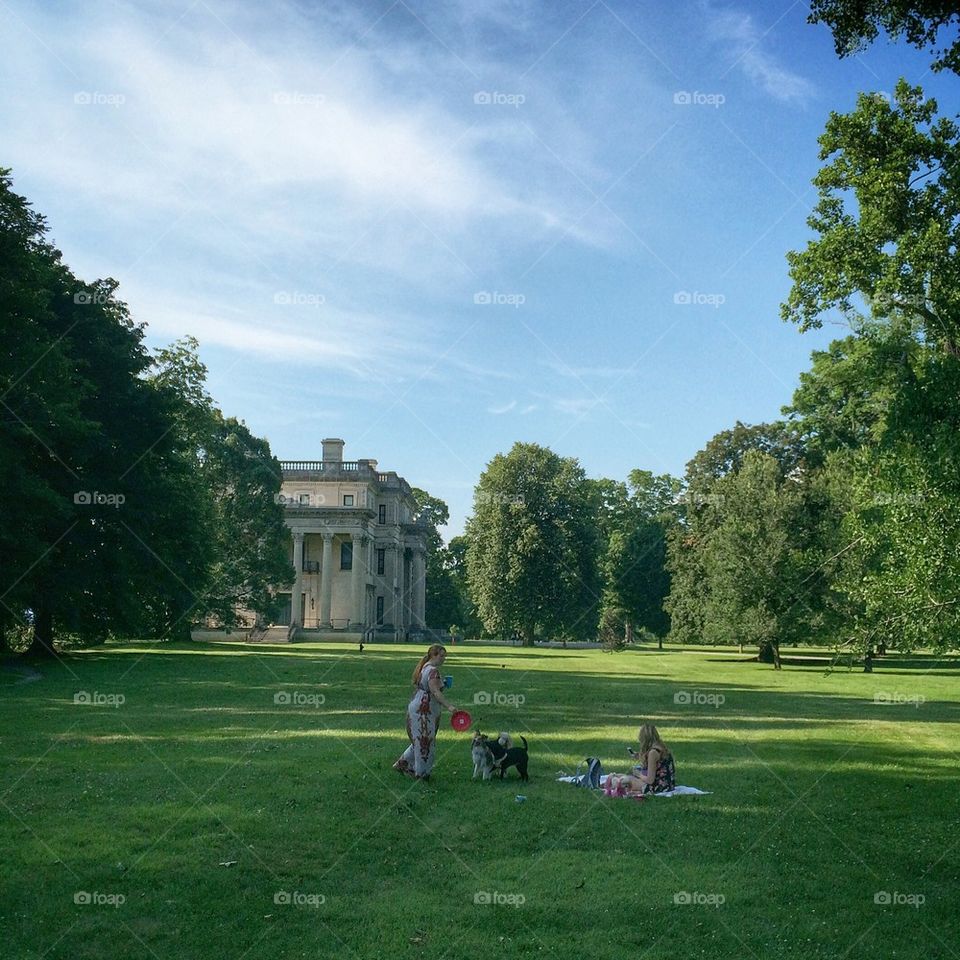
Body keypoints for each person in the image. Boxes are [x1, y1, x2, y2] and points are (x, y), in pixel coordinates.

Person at [392, 644, 456, 781]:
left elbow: (430, 686)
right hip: (424, 709)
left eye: (445, 656)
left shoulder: (425, 667)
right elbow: (435, 691)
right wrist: (449, 706)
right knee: (425, 741)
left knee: (420, 738)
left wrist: (442, 683)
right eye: (441, 655)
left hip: (419, 705)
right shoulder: (433, 671)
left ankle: (402, 764)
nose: (444, 659)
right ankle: (421, 774)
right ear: (433, 655)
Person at [618, 722, 676, 796]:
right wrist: (639, 756)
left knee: (626, 780)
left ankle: (605, 785)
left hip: (658, 787)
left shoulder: (653, 753)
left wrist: (638, 774)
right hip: (669, 785)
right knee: (624, 777)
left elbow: (650, 780)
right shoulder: (661, 747)